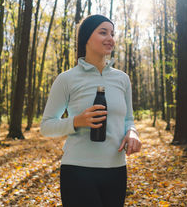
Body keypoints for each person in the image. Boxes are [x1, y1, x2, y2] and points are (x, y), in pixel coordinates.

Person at [40, 14, 142, 207]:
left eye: (112, 33)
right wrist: (77, 121)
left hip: (116, 170)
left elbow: (129, 119)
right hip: (78, 171)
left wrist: (133, 133)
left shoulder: (122, 79)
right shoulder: (67, 79)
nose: (110, 38)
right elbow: (46, 126)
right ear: (86, 37)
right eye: (103, 32)